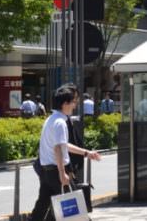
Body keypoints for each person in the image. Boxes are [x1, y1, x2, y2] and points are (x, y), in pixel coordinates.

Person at [30, 86, 102, 221]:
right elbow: (58, 148)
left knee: (42, 207)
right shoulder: (60, 123)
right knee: (75, 209)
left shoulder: (51, 119)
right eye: (74, 101)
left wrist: (86, 153)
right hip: (56, 172)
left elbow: (63, 145)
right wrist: (62, 172)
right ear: (65, 104)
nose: (75, 105)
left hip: (47, 172)